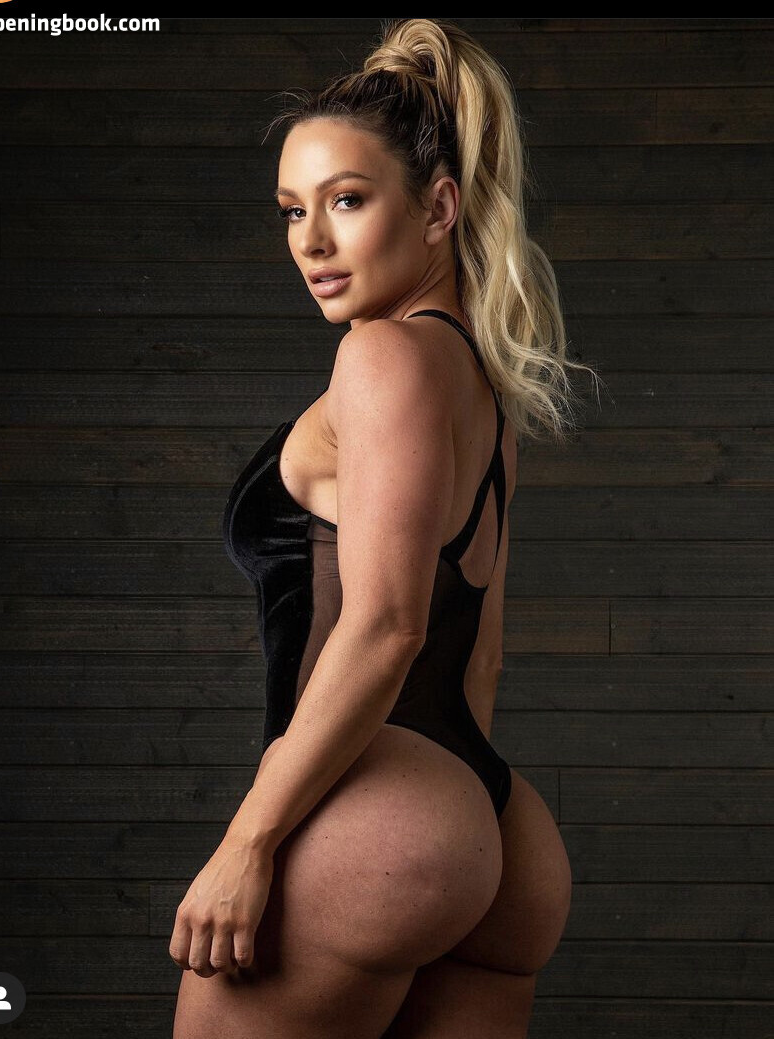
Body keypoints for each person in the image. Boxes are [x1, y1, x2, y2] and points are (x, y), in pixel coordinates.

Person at [171, 17, 600, 1039]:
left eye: (347, 201)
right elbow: (476, 653)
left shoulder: (381, 357)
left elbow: (387, 625)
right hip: (491, 823)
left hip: (377, 819)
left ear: (439, 207)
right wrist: (456, 828)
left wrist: (248, 841)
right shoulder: (480, 384)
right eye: (293, 210)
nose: (309, 242)